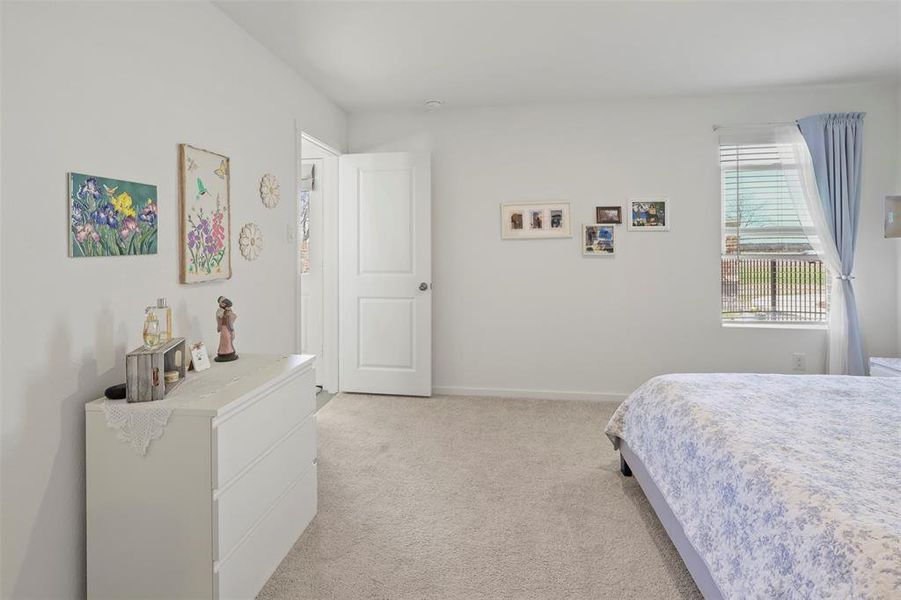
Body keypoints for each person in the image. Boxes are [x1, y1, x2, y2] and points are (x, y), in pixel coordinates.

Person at [215, 296, 238, 362]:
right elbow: (220, 316)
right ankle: (224, 351)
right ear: (220, 303)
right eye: (222, 301)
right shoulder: (220, 310)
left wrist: (230, 313)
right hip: (224, 327)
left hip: (228, 327)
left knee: (230, 338)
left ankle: (229, 350)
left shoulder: (228, 309)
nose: (224, 302)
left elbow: (233, 316)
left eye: (224, 300)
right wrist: (225, 313)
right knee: (226, 338)